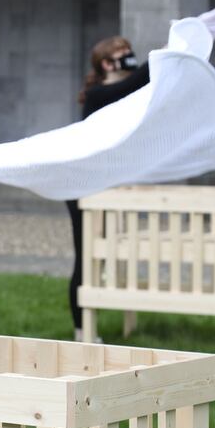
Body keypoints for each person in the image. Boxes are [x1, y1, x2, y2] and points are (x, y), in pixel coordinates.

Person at [67, 36, 150, 341]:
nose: (130, 58)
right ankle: (81, 332)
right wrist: (166, 56)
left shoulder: (127, 93)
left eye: (131, 53)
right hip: (78, 185)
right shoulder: (97, 94)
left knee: (103, 256)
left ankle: (99, 319)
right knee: (86, 255)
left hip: (103, 184)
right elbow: (128, 85)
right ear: (106, 63)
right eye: (123, 54)